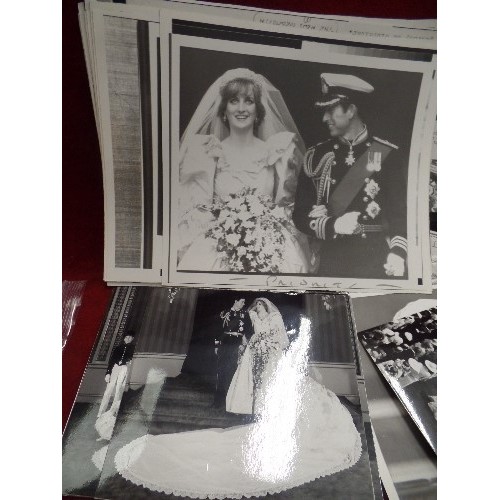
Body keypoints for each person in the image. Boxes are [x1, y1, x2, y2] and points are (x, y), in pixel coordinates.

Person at [114, 299, 362, 498]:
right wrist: (254, 345)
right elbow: (251, 335)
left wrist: (267, 345)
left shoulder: (274, 318)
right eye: (257, 309)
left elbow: (281, 340)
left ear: (268, 308)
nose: (259, 310)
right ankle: (259, 411)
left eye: (261, 308)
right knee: (251, 385)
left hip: (273, 355)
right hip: (255, 353)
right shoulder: (251, 317)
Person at [177, 68, 312, 274]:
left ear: (258, 110)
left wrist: (262, 234)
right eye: (234, 101)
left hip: (270, 247)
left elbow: (286, 209)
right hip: (218, 247)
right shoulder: (208, 153)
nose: (241, 108)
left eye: (248, 101)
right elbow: (197, 213)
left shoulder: (277, 152)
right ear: (224, 109)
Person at [292, 73, 408, 279]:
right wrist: (334, 225)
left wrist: (398, 253)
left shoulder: (387, 154)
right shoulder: (316, 155)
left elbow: (400, 214)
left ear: (351, 110)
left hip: (375, 260)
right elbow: (300, 214)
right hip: (332, 260)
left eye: (330, 110)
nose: (324, 118)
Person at [225, 298, 289, 415]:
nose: (257, 306)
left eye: (260, 304)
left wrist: (268, 342)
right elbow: (247, 316)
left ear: (265, 306)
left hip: (267, 346)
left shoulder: (273, 317)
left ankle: (265, 407)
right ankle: (244, 406)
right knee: (248, 374)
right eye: (257, 304)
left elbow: (276, 333)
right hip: (254, 346)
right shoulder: (253, 315)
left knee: (266, 374)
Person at [213, 297, 253, 408]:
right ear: (235, 301)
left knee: (232, 372)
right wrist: (217, 344)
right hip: (225, 343)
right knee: (221, 372)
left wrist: (243, 344)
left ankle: (229, 402)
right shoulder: (224, 313)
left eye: (244, 302)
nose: (243, 304)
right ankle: (218, 402)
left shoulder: (245, 315)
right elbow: (218, 329)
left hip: (236, 344)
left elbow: (249, 330)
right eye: (242, 301)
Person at [97, 331, 136, 418]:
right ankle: (101, 412)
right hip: (115, 367)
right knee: (108, 390)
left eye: (130, 338)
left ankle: (114, 411)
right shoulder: (118, 348)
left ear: (132, 339)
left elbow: (130, 360)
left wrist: (125, 361)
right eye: (126, 337)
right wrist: (108, 373)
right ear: (124, 338)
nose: (128, 339)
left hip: (124, 368)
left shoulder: (133, 349)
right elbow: (111, 361)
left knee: (119, 389)